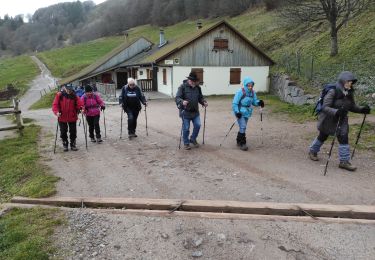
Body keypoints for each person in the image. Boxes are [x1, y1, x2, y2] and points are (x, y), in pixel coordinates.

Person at [308, 71, 371, 171]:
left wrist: (362, 109)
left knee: (343, 137)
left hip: (342, 119)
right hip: (329, 118)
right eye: (349, 81)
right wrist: (337, 111)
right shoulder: (333, 91)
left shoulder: (349, 92)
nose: (350, 83)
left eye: (351, 82)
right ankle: (312, 151)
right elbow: (325, 107)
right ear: (343, 81)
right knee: (323, 136)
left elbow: (352, 106)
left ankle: (344, 161)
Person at [175, 71, 208, 150]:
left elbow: (200, 97)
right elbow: (177, 98)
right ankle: (186, 143)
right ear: (189, 80)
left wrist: (203, 102)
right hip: (185, 112)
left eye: (194, 81)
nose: (194, 83)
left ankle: (193, 139)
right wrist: (182, 102)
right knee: (186, 128)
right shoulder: (182, 87)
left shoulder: (198, 88)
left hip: (195, 112)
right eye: (192, 81)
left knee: (198, 125)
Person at [232, 76, 264, 151]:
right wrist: (237, 112)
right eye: (248, 85)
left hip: (247, 112)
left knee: (243, 127)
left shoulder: (253, 93)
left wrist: (259, 102)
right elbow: (234, 103)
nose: (250, 87)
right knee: (243, 126)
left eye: (251, 85)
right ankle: (243, 143)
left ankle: (238, 140)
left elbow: (254, 102)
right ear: (245, 85)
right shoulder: (240, 92)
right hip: (240, 111)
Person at [52, 84, 83, 151]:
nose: (69, 90)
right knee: (63, 131)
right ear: (65, 88)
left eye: (70, 89)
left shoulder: (75, 96)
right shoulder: (59, 95)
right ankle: (65, 144)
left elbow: (80, 104)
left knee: (73, 131)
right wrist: (56, 112)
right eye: (67, 89)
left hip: (72, 117)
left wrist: (81, 108)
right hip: (62, 117)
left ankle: (73, 144)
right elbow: (55, 105)